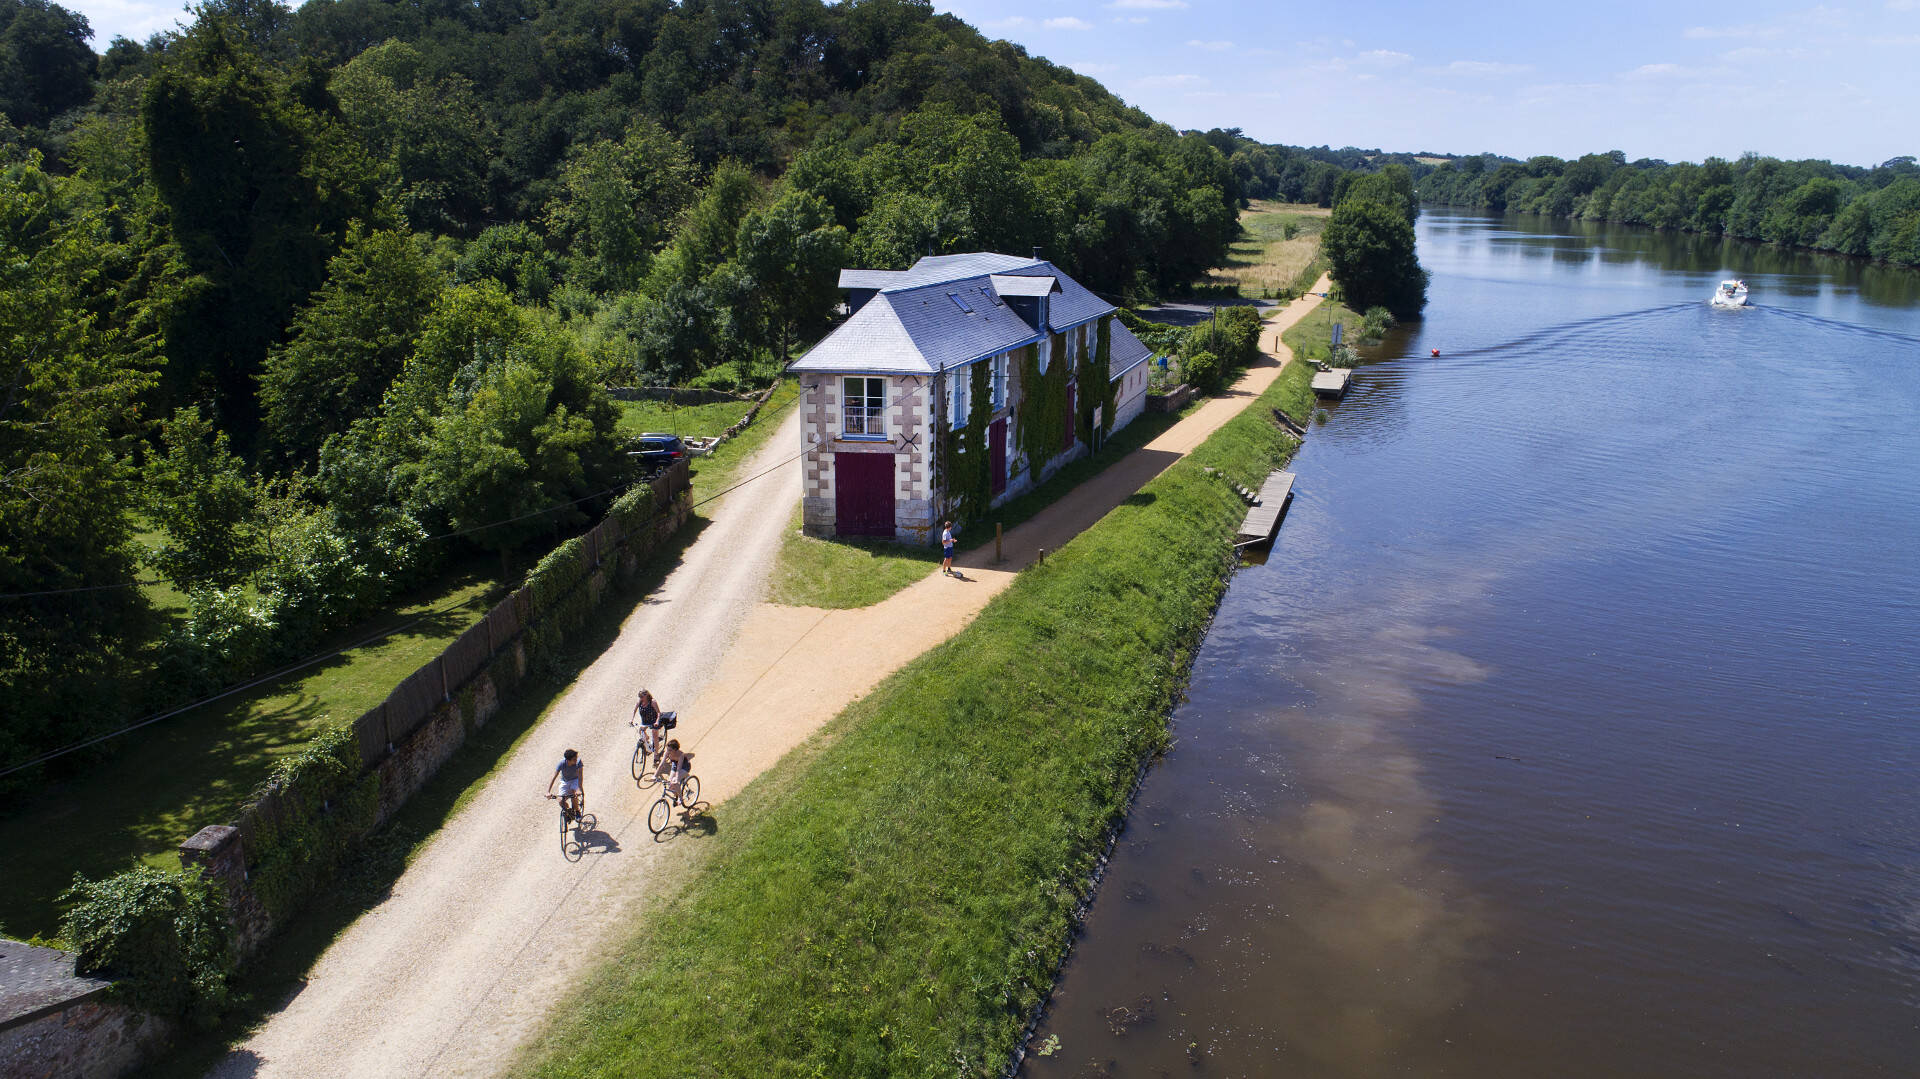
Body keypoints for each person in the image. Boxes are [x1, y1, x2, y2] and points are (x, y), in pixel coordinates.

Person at [547, 748, 585, 819]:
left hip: (575, 780)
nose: (576, 760)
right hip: (565, 781)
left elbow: (580, 776)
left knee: (573, 794)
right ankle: (568, 812)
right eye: (574, 759)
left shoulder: (578, 762)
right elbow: (554, 777)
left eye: (576, 758)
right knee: (561, 801)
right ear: (568, 760)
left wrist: (579, 789)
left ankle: (577, 812)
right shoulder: (561, 763)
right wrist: (548, 792)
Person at [632, 688, 665, 765]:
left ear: (646, 695)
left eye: (641, 697)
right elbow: (634, 711)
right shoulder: (639, 702)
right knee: (640, 731)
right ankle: (647, 741)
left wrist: (657, 721)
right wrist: (632, 719)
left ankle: (656, 754)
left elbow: (659, 713)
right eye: (639, 697)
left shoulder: (653, 702)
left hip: (654, 721)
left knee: (654, 734)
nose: (640, 698)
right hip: (645, 721)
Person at [656, 739, 693, 803]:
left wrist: (676, 779)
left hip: (684, 767)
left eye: (670, 750)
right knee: (670, 785)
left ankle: (680, 799)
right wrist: (655, 776)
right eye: (667, 749)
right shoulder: (667, 752)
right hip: (675, 765)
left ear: (675, 750)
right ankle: (677, 795)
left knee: (674, 782)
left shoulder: (681, 754)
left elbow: (678, 769)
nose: (668, 751)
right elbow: (661, 764)